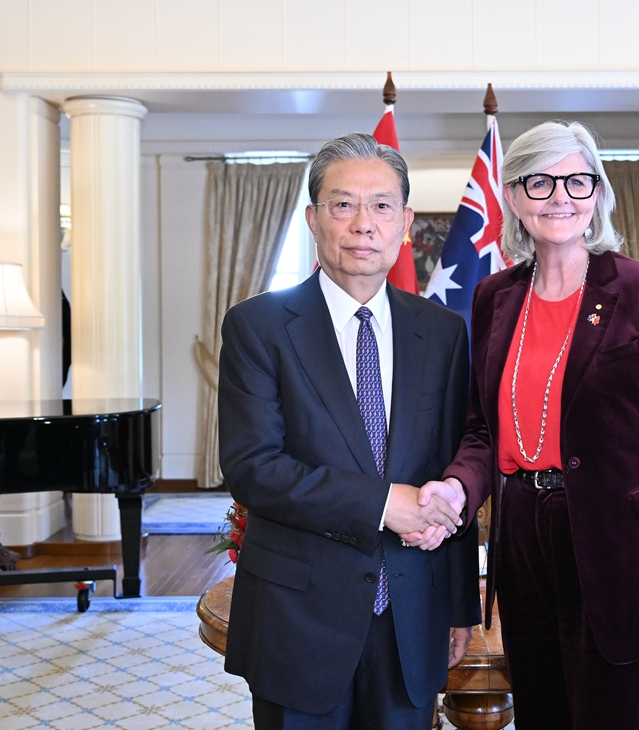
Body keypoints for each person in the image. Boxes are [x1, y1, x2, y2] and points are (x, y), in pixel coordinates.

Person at [407, 121, 639, 729]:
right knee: (542, 713)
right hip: (522, 540)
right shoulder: (494, 297)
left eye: (578, 181)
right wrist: (458, 487)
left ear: (598, 193)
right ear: (514, 196)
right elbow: (482, 430)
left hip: (620, 551)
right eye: (541, 182)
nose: (560, 197)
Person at [218, 132, 481, 730]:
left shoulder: (442, 332)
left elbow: (450, 469)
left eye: (382, 205)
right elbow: (254, 468)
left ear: (405, 223)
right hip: (298, 618)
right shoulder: (259, 326)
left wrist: (457, 605)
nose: (364, 223)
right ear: (313, 219)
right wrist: (384, 503)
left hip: (412, 615)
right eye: (343, 204)